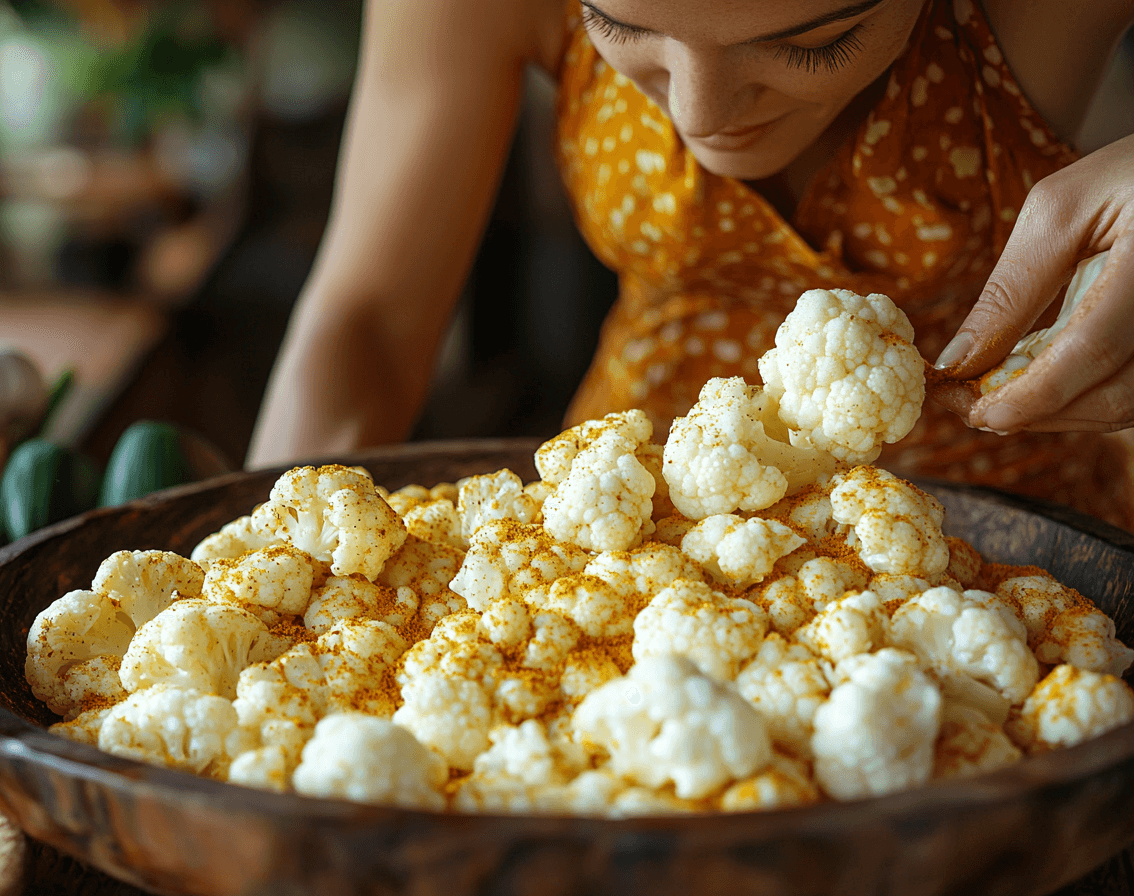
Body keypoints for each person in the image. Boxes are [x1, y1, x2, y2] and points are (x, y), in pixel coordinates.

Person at [247, 0, 1134, 529]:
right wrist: (259, 563)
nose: (705, 115)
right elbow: (366, 319)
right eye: (618, 24)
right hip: (625, 533)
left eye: (813, 42)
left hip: (1019, 539)